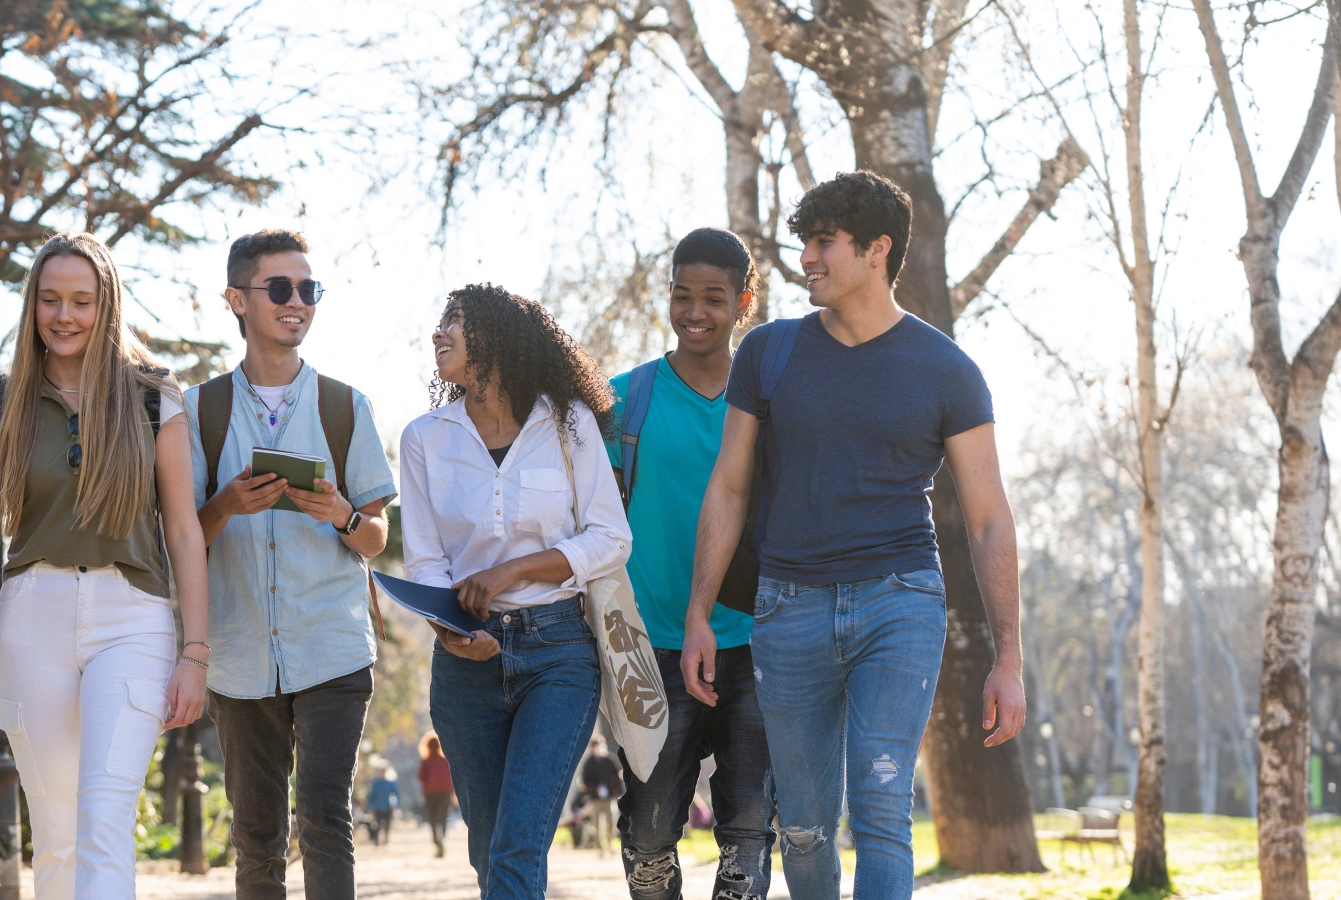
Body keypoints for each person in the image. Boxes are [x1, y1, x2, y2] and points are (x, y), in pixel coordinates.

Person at [685, 171, 1026, 900]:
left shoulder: (948, 370)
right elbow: (729, 487)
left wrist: (1010, 658)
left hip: (900, 600)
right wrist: (699, 615)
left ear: (877, 250)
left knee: (881, 809)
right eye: (804, 241)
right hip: (787, 606)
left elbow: (990, 517)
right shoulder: (768, 353)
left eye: (823, 242)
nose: (806, 257)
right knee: (805, 826)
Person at [0, 232, 211, 900]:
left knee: (102, 822)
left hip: (134, 620)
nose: (64, 316)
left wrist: (196, 652)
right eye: (50, 299)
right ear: (33, 304)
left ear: (107, 306)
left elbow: (183, 530)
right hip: (29, 619)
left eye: (82, 302)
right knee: (58, 836)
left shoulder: (156, 397)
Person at [400, 283, 632, 900]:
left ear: (499, 338)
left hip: (558, 653)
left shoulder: (568, 423)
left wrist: (512, 571)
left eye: (455, 321)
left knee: (517, 846)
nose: (439, 332)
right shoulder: (425, 437)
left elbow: (611, 537)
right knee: (488, 849)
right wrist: (451, 631)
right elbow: (425, 561)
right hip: (464, 664)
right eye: (440, 319)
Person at [188, 229, 396, 900]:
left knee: (327, 822)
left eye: (309, 289)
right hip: (238, 653)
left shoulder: (345, 406)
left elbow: (377, 538)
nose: (297, 301)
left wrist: (340, 513)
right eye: (280, 288)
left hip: (333, 648)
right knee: (256, 841)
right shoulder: (199, 412)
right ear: (236, 300)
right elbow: (181, 539)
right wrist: (225, 505)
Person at [607, 228, 775, 899]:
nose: (695, 312)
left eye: (713, 297)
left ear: (744, 300)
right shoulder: (622, 402)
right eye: (682, 296)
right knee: (649, 831)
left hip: (757, 644)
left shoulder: (771, 404)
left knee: (749, 827)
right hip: (651, 648)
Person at [578, 735, 622, 857]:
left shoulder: (609, 760)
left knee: (611, 822)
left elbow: (617, 776)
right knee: (596, 824)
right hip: (595, 799)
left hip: (609, 798)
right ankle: (601, 848)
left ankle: (610, 844)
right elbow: (585, 782)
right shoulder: (588, 763)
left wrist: (618, 792)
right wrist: (594, 789)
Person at [417, 731, 455, 858]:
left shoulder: (426, 761)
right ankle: (442, 837)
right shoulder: (446, 760)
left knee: (432, 820)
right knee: (443, 818)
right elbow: (452, 778)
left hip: (430, 794)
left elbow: (421, 778)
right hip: (445, 793)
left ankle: (437, 841)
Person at [365, 765, 401, 846]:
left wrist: (396, 805)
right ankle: (377, 841)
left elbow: (396, 794)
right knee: (377, 825)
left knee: (387, 825)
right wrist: (370, 808)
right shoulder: (375, 783)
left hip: (388, 807)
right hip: (378, 808)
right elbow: (371, 796)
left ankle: (386, 840)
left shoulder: (390, 783)